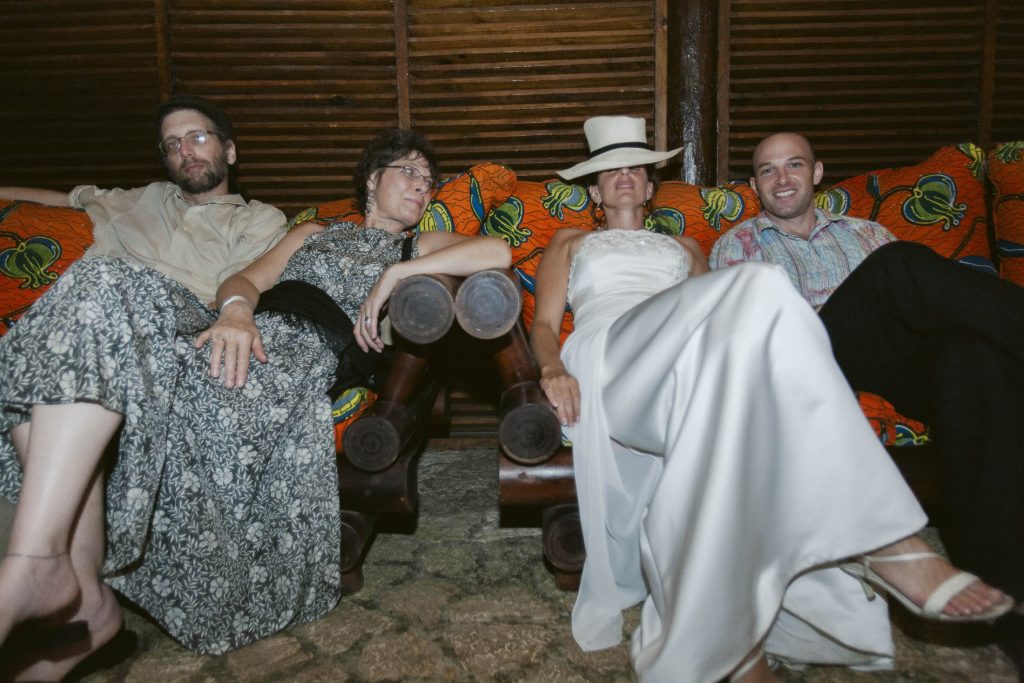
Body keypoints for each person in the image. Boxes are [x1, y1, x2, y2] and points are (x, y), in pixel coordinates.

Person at [0, 127, 511, 680]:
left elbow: (498, 251)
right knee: (100, 283)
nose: (422, 187)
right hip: (239, 329)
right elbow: (244, 278)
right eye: (408, 171)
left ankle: (57, 582)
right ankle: (65, 581)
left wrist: (397, 271)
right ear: (372, 179)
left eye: (429, 182)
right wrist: (238, 312)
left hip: (303, 355)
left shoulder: (419, 244)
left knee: (148, 387)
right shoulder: (313, 231)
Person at [530, 116, 1012, 682]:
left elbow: (721, 325)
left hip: (678, 366)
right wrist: (552, 366)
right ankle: (886, 539)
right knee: (760, 283)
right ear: (593, 189)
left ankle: (732, 637)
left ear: (653, 184)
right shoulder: (570, 240)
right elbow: (542, 322)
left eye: (637, 166)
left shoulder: (687, 246)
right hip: (610, 351)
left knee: (748, 334)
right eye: (612, 170)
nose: (626, 176)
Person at [708, 132, 1024, 672]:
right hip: (810, 356)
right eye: (767, 171)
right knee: (900, 264)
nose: (781, 178)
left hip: (894, 359)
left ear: (817, 172)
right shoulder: (738, 246)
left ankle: (1008, 602)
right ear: (755, 186)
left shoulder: (866, 232)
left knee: (972, 362)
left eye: (794, 165)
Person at [0, 94, 287, 305]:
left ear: (230, 152)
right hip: (89, 307)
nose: (184, 150)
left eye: (197, 138)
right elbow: (65, 200)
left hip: (178, 325)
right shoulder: (141, 198)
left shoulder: (259, 218)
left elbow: (234, 293)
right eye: (172, 144)